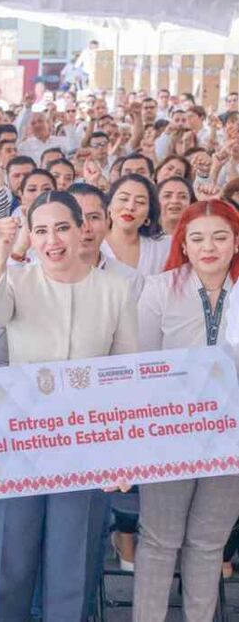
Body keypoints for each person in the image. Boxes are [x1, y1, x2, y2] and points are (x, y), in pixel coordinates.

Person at [0, 192, 138, 622]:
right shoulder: (17, 280)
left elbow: (125, 372)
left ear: (83, 228)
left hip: (86, 442)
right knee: (9, 563)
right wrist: (2, 254)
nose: (52, 241)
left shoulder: (116, 289)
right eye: (40, 231)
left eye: (62, 228)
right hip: (20, 438)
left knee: (72, 567)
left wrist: (122, 452)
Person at [135, 200, 239, 621]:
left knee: (209, 543)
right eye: (197, 238)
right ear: (183, 244)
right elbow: (141, 364)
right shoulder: (160, 289)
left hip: (231, 436)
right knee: (160, 541)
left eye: (220, 237)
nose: (208, 247)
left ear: (236, 242)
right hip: (170, 434)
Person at [102, 174, 172, 276]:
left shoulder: (162, 246)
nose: (130, 207)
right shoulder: (93, 244)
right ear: (109, 206)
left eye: (140, 202)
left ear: (149, 212)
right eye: (123, 199)